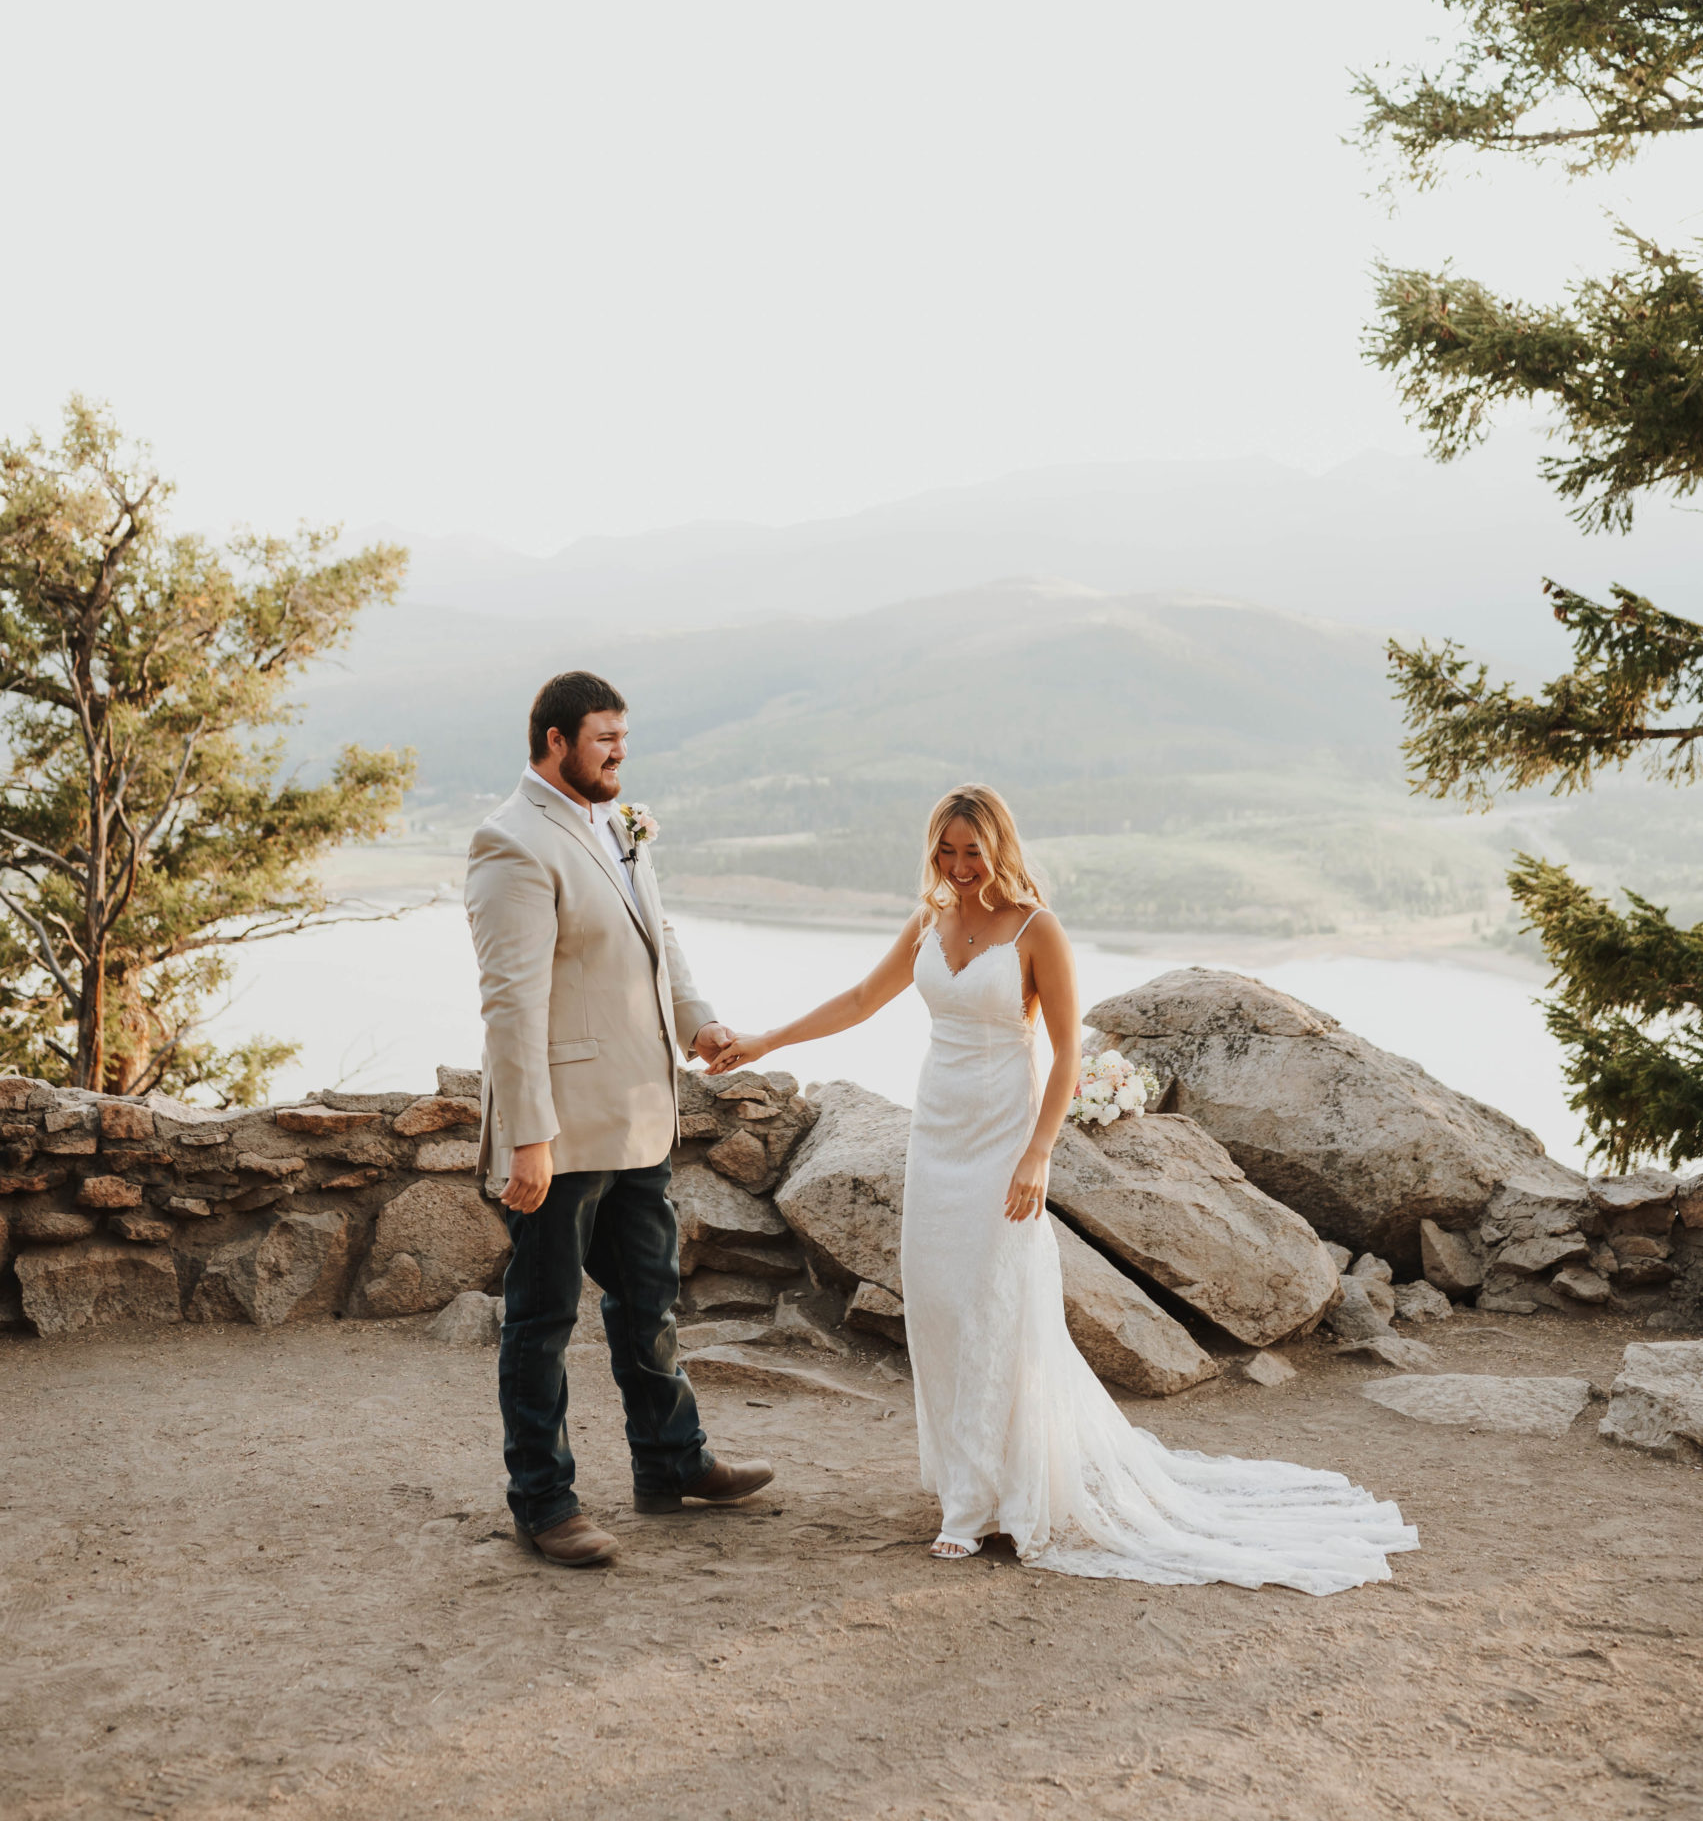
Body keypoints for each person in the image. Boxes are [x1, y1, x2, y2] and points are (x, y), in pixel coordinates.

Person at [706, 783, 1417, 1589]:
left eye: (973, 851)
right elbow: (861, 1000)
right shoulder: (928, 918)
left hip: (1003, 1137)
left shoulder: (1036, 930)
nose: (959, 866)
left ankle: (972, 1510)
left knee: (993, 1306)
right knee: (939, 1306)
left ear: (1000, 848)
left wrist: (1038, 1153)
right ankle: (970, 1476)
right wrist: (764, 1037)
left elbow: (1066, 1055)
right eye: (946, 850)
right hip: (935, 1135)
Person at [465, 670, 776, 1567]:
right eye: (605, 739)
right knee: (543, 1320)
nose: (619, 754)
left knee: (649, 1305)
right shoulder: (510, 843)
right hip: (560, 1132)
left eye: (623, 739)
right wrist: (529, 1137)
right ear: (555, 741)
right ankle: (544, 1500)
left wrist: (698, 1020)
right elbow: (510, 1004)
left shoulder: (619, 825)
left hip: (639, 1117)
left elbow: (658, 937)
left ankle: (672, 1462)